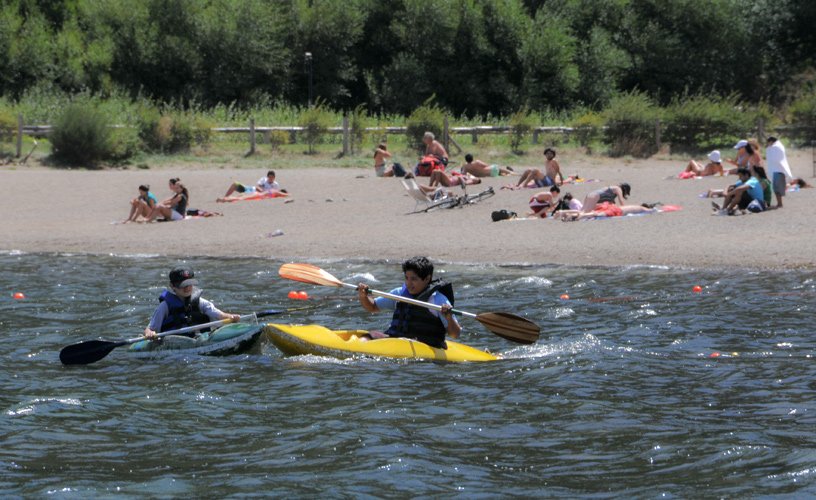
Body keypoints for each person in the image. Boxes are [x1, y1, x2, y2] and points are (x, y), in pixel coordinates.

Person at [356, 256, 460, 349]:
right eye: (406, 278)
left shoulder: (438, 300)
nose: (408, 283)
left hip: (423, 345)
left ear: (427, 279)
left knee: (403, 342)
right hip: (397, 339)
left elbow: (455, 334)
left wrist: (449, 319)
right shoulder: (399, 294)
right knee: (370, 336)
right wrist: (364, 297)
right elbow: (372, 306)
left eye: (413, 279)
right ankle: (357, 349)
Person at [144, 265, 240, 340]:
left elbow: (219, 315)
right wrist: (149, 333)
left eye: (189, 284)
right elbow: (150, 328)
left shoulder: (200, 302)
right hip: (174, 341)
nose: (187, 288)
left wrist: (231, 317)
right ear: (172, 286)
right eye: (183, 285)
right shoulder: (165, 306)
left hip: (198, 339)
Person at [217, 170, 286, 202]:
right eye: (270, 177)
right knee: (235, 184)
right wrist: (262, 192)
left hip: (254, 194)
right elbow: (257, 187)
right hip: (252, 189)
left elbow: (273, 194)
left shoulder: (275, 185)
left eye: (272, 177)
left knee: (240, 197)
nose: (271, 178)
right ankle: (225, 197)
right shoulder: (264, 179)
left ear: (274, 177)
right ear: (267, 177)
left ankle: (224, 200)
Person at [766, 136, 794, 208]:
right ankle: (779, 203)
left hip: (777, 170)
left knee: (776, 188)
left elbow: (773, 156)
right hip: (779, 170)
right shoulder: (779, 147)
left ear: (771, 142)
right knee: (777, 188)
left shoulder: (775, 147)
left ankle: (780, 203)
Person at [554, 204, 656, 221]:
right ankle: (581, 215)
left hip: (612, 206)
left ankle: (567, 213)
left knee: (595, 212)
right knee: (597, 214)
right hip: (616, 210)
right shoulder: (642, 208)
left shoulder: (634, 205)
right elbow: (651, 210)